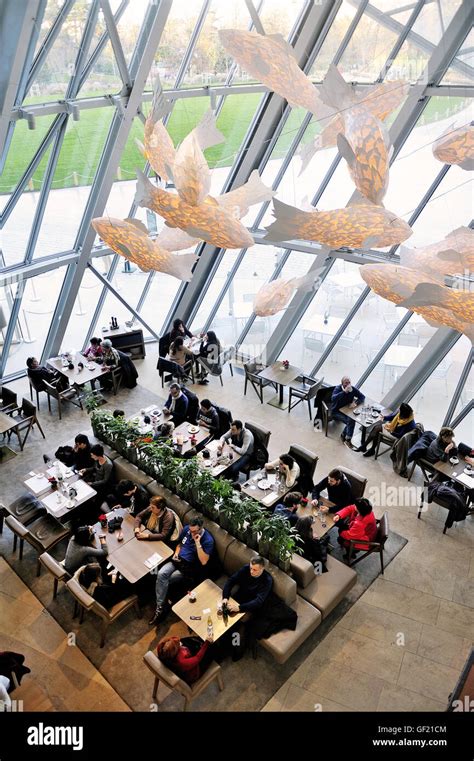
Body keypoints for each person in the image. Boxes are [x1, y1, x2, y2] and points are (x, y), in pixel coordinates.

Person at [149, 515, 214, 625]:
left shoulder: (208, 540)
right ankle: (160, 607)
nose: (192, 533)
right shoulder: (186, 530)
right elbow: (179, 544)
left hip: (188, 568)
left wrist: (198, 543)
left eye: (194, 531)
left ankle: (162, 607)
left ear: (201, 528)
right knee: (161, 574)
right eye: (190, 530)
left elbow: (204, 561)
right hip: (177, 561)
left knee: (166, 580)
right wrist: (176, 553)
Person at [222, 557, 273, 661]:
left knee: (239, 624)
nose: (251, 571)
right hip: (240, 598)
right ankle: (225, 645)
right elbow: (231, 580)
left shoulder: (267, 580)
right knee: (224, 615)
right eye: (251, 568)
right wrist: (225, 597)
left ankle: (238, 652)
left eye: (255, 570)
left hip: (252, 606)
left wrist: (239, 608)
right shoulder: (246, 569)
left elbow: (258, 601)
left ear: (262, 569)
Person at [331, 375, 366, 449]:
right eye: (345, 383)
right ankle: (347, 439)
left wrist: (356, 403)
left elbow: (362, 397)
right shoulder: (338, 388)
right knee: (350, 422)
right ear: (342, 384)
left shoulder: (352, 389)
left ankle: (345, 436)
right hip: (336, 411)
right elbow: (333, 399)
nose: (347, 384)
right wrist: (344, 392)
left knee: (352, 419)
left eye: (349, 382)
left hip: (346, 410)